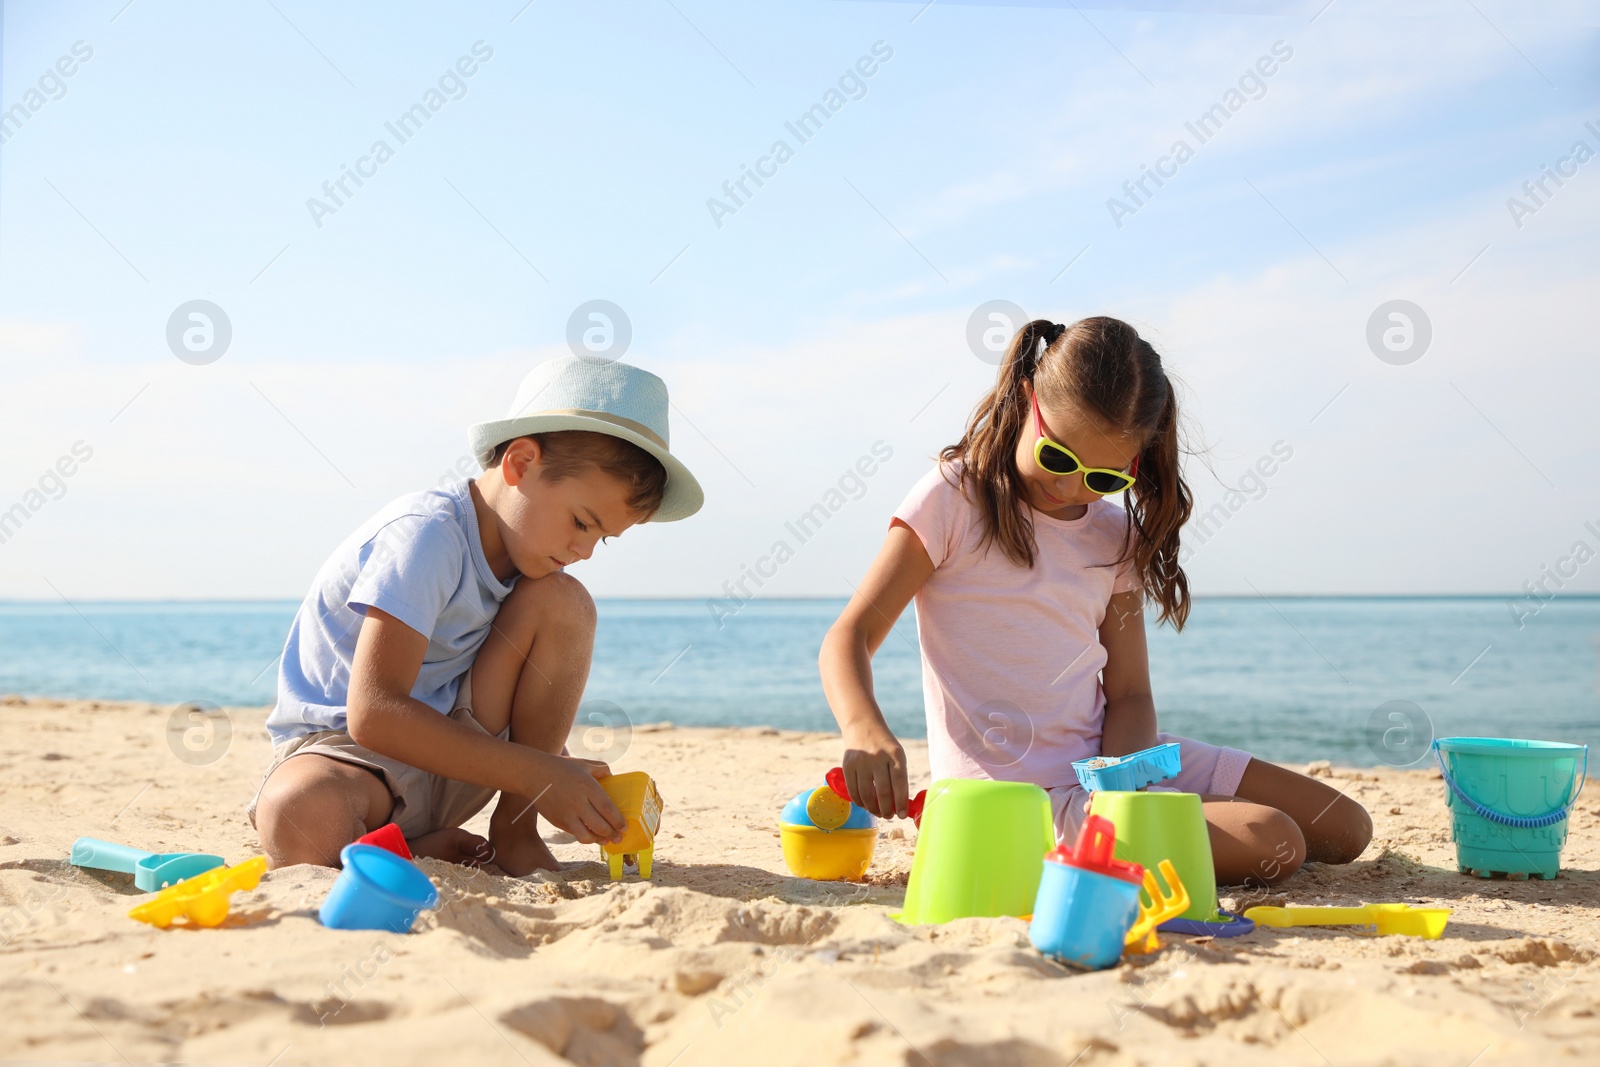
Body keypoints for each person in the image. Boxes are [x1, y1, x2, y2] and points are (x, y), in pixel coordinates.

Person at [819, 317, 1371, 885]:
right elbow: (850, 636)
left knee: (1345, 828)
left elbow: (1130, 694)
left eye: (1104, 476)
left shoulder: (1113, 536)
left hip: (1114, 766)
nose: (1070, 487)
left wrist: (1122, 784)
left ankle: (1146, 826)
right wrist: (864, 728)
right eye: (1059, 458)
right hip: (1017, 802)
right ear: (1029, 396)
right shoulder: (952, 499)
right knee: (1273, 839)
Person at [249, 355, 703, 874]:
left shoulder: (530, 562)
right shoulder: (426, 534)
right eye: (581, 522)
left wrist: (540, 781)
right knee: (299, 813)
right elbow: (373, 713)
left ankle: (515, 830)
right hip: (351, 761)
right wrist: (541, 773)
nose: (585, 550)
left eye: (602, 537)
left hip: (460, 760)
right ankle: (406, 845)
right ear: (520, 463)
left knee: (565, 601)